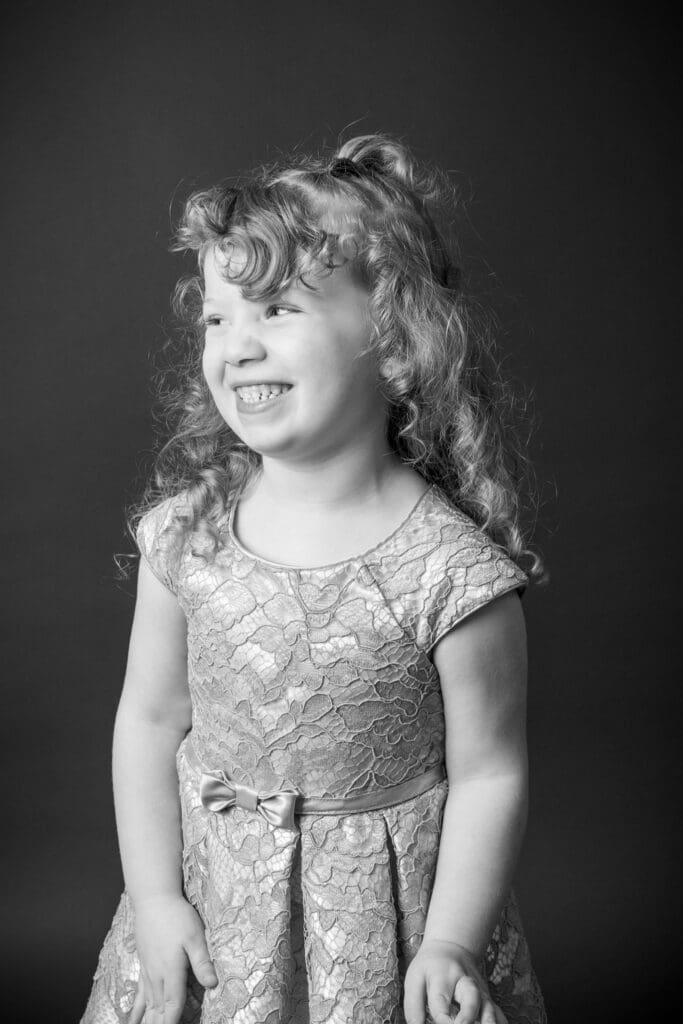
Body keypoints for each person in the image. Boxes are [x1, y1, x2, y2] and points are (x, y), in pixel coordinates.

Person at [80, 133, 548, 1024]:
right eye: (218, 319)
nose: (237, 347)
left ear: (394, 337)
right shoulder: (187, 536)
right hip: (210, 909)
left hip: (382, 938)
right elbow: (148, 719)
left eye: (277, 309)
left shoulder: (451, 577)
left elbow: (489, 775)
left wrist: (451, 943)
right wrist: (154, 898)